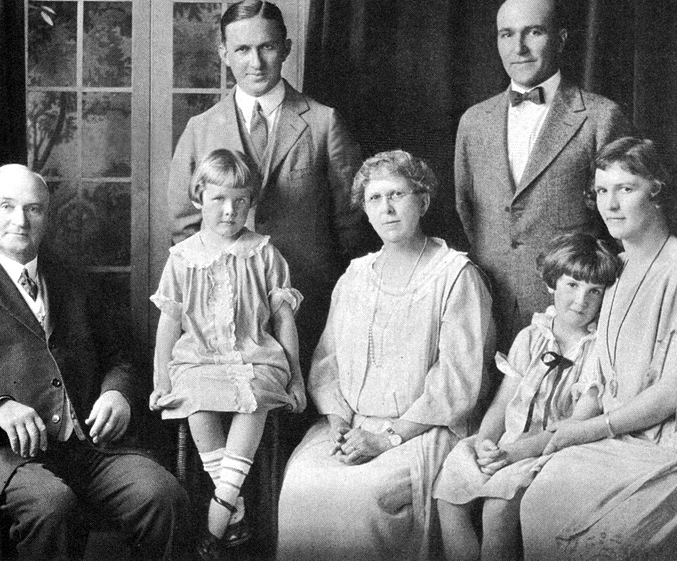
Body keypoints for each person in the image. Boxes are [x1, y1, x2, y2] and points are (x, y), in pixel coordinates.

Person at [0, 164, 189, 560]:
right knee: (53, 505)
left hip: (86, 449)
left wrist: (117, 393)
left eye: (33, 209)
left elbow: (121, 357)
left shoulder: (73, 281)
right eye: (7, 207)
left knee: (162, 495)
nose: (20, 220)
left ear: (47, 217)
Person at [277, 150, 495, 560]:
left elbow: (458, 381)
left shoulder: (455, 276)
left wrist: (386, 437)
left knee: (362, 498)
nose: (387, 208)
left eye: (397, 194)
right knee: (301, 484)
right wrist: (339, 423)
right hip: (352, 424)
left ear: (423, 201)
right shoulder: (356, 276)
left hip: (423, 430)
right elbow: (328, 362)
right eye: (375, 199)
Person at [167, 0, 361, 376]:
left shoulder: (323, 123)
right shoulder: (201, 129)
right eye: (242, 49)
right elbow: (182, 226)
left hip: (308, 301)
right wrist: (213, 296)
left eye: (267, 47)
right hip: (222, 312)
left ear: (285, 48)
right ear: (224, 53)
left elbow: (352, 222)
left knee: (300, 414)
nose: (255, 62)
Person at [520, 137, 677, 559]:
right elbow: (598, 373)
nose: (610, 204)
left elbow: (670, 394)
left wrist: (588, 431)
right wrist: (574, 427)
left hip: (662, 447)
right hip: (612, 438)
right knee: (540, 499)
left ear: (657, 191)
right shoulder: (616, 268)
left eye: (625, 189)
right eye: (601, 191)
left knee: (606, 542)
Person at [150, 149, 306, 559]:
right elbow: (169, 323)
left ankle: (217, 513)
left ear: (251, 203)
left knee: (253, 396)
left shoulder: (264, 253)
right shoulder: (182, 258)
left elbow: (284, 321)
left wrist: (297, 378)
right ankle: (232, 509)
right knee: (194, 397)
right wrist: (160, 380)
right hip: (200, 359)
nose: (230, 210)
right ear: (199, 196)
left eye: (240, 201)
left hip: (256, 357)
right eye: (218, 199)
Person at [455, 0, 629, 350]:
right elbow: (465, 210)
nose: (518, 47)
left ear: (561, 39)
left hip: (571, 317)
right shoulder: (474, 121)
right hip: (486, 307)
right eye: (507, 34)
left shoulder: (600, 117)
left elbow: (620, 227)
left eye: (533, 32)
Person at [435, 233, 621, 561]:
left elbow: (576, 426)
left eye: (595, 291)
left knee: (497, 510)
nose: (581, 301)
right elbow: (503, 402)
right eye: (572, 285)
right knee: (449, 495)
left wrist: (512, 453)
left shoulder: (597, 352)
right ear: (552, 284)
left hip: (550, 451)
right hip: (506, 444)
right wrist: (486, 441)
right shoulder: (531, 337)